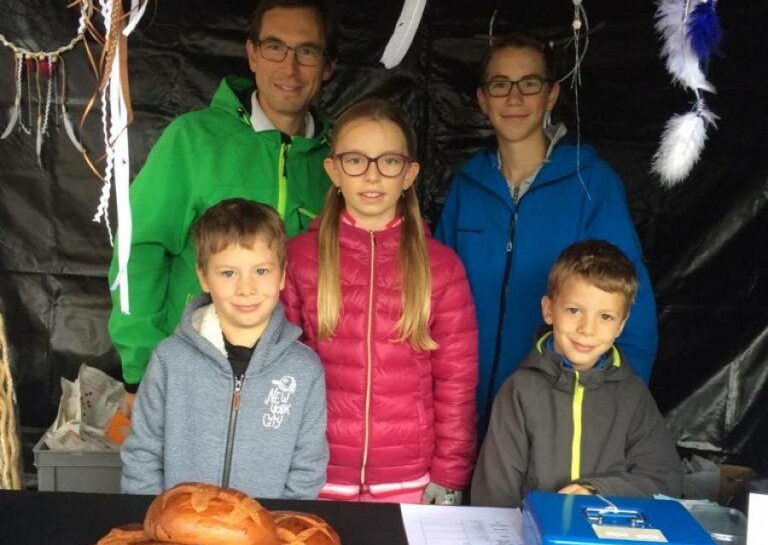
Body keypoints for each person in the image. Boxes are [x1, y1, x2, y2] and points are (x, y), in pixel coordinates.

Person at [108, 0, 338, 410]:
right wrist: (142, 370)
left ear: (327, 66)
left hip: (290, 395)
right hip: (191, 384)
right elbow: (137, 252)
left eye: (307, 52)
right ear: (252, 54)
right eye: (275, 47)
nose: (290, 68)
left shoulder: (343, 165)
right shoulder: (193, 139)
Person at [435, 32, 658, 433]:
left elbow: (630, 303)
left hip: (556, 422)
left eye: (529, 84)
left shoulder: (591, 183)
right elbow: (432, 301)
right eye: (500, 85)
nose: (514, 98)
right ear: (482, 99)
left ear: (551, 95)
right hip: (465, 416)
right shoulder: (468, 187)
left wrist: (611, 417)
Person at [281, 98, 478, 504]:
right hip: (315, 477)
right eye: (355, 160)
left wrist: (450, 475)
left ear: (409, 174)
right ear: (333, 170)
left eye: (389, 161)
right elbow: (279, 376)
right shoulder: (300, 259)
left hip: (409, 482)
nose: (372, 176)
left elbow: (456, 383)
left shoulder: (442, 267)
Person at [121, 199, 328, 498]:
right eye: (228, 273)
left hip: (263, 526)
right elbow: (142, 454)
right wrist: (155, 518)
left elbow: (307, 468)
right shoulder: (169, 360)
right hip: (180, 526)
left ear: (282, 274)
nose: (246, 288)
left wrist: (275, 524)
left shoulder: (304, 370)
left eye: (261, 271)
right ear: (204, 277)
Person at [471, 240, 681, 508]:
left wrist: (597, 491)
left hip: (607, 534)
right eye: (574, 310)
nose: (587, 329)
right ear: (549, 310)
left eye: (605, 317)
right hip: (531, 532)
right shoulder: (519, 391)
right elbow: (494, 494)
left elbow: (665, 479)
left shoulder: (633, 395)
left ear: (621, 325)